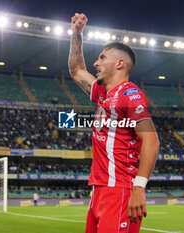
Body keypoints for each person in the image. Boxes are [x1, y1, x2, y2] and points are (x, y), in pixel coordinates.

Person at [68, 13, 160, 233]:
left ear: (119, 63)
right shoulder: (103, 93)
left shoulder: (130, 94)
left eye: (102, 57)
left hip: (120, 190)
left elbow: (151, 141)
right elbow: (76, 71)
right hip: (99, 190)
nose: (95, 63)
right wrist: (77, 34)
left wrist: (139, 187)